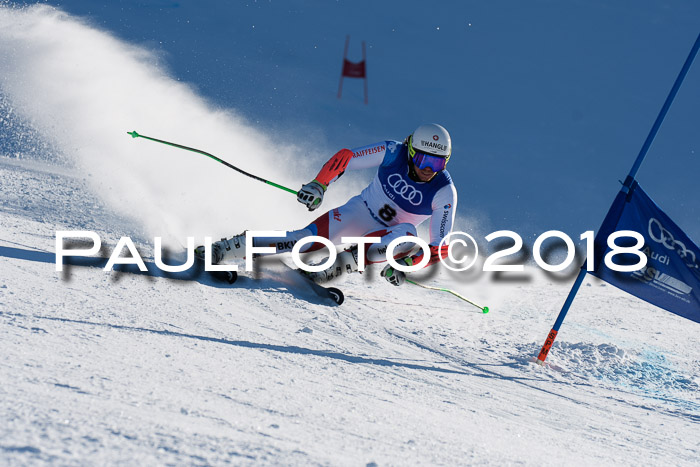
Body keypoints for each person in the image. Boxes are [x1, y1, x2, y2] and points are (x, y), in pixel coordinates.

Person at [196, 123, 457, 286]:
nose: (428, 169)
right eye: (424, 159)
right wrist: (319, 184)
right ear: (411, 151)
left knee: (409, 235)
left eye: (438, 163)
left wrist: (407, 265)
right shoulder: (393, 152)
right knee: (301, 241)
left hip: (390, 237)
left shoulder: (444, 191)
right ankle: (224, 249)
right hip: (358, 213)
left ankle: (335, 266)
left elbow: (439, 247)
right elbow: (347, 157)